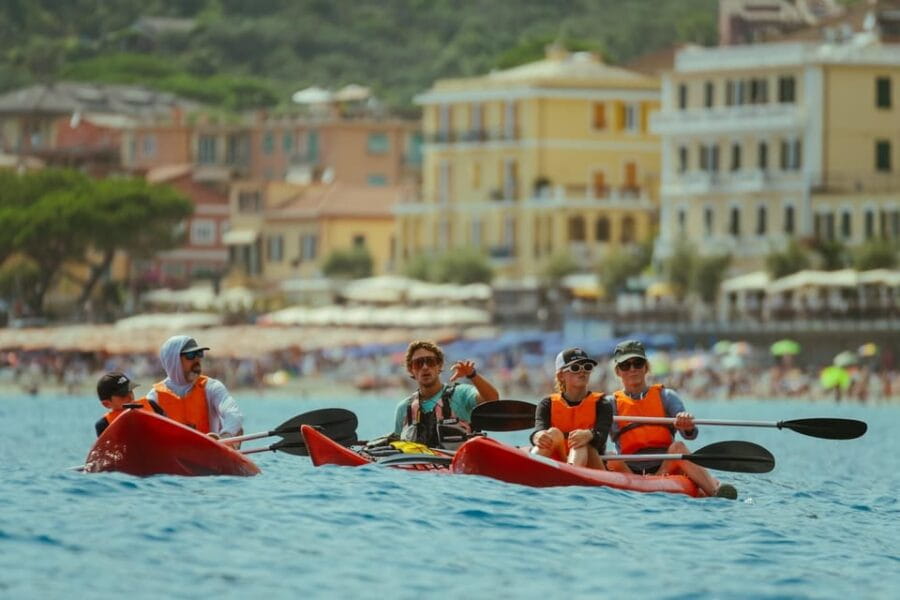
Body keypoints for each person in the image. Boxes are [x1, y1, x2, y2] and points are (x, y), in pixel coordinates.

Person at [604, 340, 738, 499]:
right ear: (618, 371)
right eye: (626, 365)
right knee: (610, 456)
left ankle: (715, 492)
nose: (632, 369)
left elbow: (691, 434)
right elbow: (596, 437)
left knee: (678, 447)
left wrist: (686, 424)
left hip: (665, 468)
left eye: (638, 363)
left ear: (646, 367)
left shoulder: (666, 396)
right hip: (629, 471)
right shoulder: (610, 404)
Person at [393, 340, 499, 449]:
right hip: (418, 464)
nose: (425, 367)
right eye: (418, 363)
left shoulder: (461, 394)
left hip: (458, 463)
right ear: (411, 370)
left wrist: (472, 375)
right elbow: (397, 444)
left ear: (439, 366)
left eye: (430, 361)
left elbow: (492, 399)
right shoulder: (404, 408)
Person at [143, 335, 244, 442]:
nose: (197, 360)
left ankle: (231, 442)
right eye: (190, 355)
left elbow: (233, 414)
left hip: (210, 448)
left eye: (199, 354)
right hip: (173, 450)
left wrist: (226, 435)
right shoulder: (154, 397)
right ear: (173, 360)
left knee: (236, 430)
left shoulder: (212, 387)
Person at [530, 348, 612, 468]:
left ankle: (571, 471)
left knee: (581, 442)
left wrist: (589, 435)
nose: (582, 372)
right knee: (553, 433)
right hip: (559, 459)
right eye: (575, 368)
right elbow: (539, 430)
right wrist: (537, 436)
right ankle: (530, 465)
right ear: (561, 376)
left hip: (593, 464)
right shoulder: (546, 404)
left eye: (587, 367)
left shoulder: (602, 404)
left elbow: (602, 436)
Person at [94, 371, 165, 437]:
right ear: (106, 404)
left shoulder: (151, 405)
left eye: (130, 391)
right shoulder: (104, 425)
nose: (130, 396)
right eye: (123, 395)